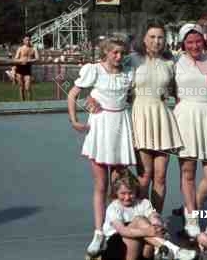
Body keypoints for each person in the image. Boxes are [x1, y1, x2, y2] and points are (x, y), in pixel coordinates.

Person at [67, 36, 137, 257]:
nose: (119, 57)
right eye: (114, 52)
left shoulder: (128, 72)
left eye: (121, 53)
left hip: (121, 127)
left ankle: (115, 229)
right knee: (101, 184)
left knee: (118, 185)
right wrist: (75, 120)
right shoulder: (94, 70)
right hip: (100, 127)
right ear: (105, 53)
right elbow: (72, 94)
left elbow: (132, 97)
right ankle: (99, 232)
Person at [174, 23, 207, 240]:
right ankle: (192, 221)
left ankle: (191, 208)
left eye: (197, 41)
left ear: (204, 41)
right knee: (188, 172)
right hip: (186, 116)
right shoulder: (174, 62)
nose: (194, 45)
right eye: (190, 42)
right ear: (183, 43)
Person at [129, 20, 183, 214]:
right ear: (144, 38)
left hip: (162, 118)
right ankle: (141, 219)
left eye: (160, 37)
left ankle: (156, 220)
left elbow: (182, 89)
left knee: (160, 178)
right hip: (140, 117)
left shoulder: (171, 62)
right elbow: (111, 76)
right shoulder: (132, 60)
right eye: (152, 37)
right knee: (144, 177)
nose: (156, 41)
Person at [102, 169, 197, 260]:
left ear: (136, 191)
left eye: (131, 193)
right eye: (123, 193)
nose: (127, 197)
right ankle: (175, 251)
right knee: (139, 221)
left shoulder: (144, 203)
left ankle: (166, 251)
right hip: (116, 248)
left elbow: (153, 216)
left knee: (150, 224)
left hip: (142, 247)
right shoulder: (113, 208)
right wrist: (147, 231)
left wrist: (157, 224)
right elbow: (123, 231)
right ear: (116, 193)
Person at [14, 35, 39, 101]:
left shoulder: (34, 48)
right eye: (26, 40)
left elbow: (37, 58)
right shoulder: (20, 48)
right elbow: (15, 59)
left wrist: (29, 60)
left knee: (28, 87)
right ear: (23, 41)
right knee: (21, 87)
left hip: (28, 69)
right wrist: (21, 60)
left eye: (29, 40)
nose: (27, 41)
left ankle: (30, 103)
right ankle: (23, 103)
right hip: (20, 68)